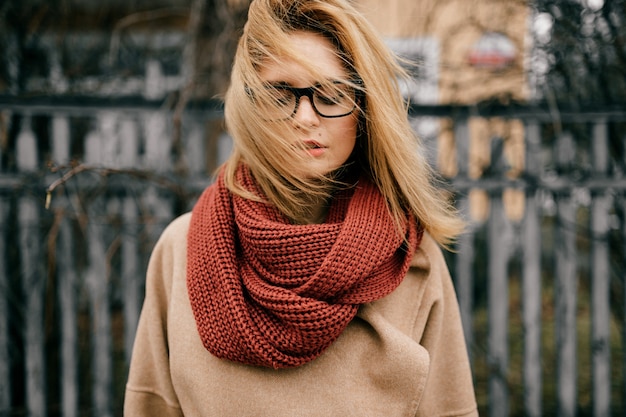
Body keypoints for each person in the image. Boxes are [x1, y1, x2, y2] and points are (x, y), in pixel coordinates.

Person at [124, 0, 478, 415]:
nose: (306, 117)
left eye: (330, 94)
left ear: (364, 110)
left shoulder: (410, 259)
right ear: (250, 106)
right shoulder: (182, 249)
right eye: (280, 94)